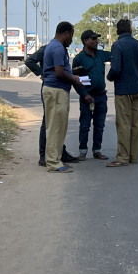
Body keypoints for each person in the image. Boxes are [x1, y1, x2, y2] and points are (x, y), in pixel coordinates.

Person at [25, 45, 80, 166]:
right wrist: (42, 73)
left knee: (59, 123)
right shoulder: (48, 48)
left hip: (60, 87)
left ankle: (60, 152)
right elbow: (29, 61)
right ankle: (44, 155)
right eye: (70, 36)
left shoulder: (61, 49)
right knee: (48, 122)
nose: (71, 40)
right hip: (51, 87)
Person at [106, 19, 138, 167]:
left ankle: (122, 157)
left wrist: (109, 77)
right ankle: (133, 156)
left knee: (123, 123)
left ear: (117, 31)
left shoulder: (118, 45)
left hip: (123, 90)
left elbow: (116, 68)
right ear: (130, 30)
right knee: (136, 124)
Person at [43, 22, 81, 173]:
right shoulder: (58, 48)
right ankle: (53, 162)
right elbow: (59, 72)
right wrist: (73, 80)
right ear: (66, 34)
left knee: (59, 127)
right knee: (55, 127)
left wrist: (71, 75)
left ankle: (57, 159)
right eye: (71, 36)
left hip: (56, 90)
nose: (71, 40)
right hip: (56, 91)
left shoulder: (53, 46)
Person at [72, 30, 112, 161]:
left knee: (99, 126)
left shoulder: (101, 54)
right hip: (87, 98)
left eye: (96, 39)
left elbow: (115, 55)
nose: (96, 41)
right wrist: (84, 94)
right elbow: (75, 80)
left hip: (101, 96)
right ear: (85, 41)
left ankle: (97, 150)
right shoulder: (79, 59)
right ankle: (83, 151)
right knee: (85, 126)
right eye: (93, 39)